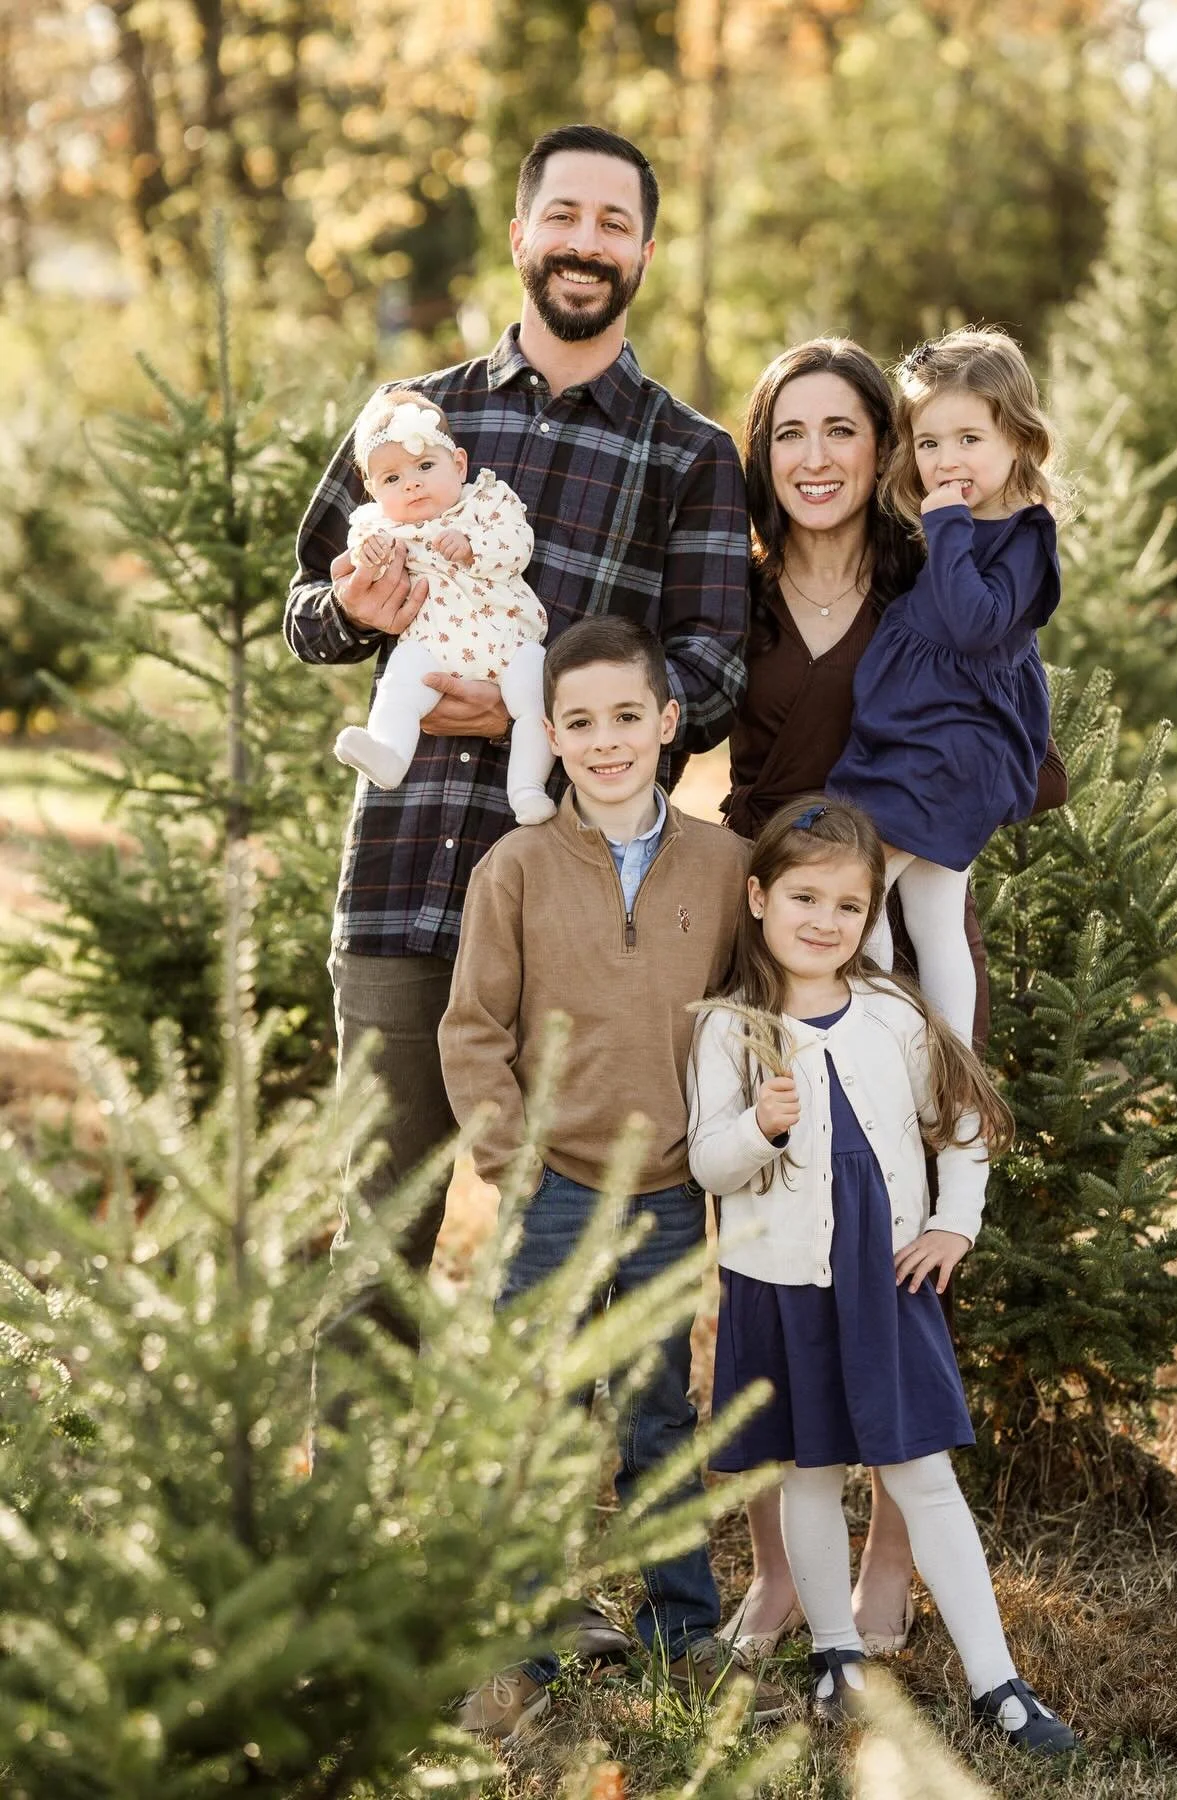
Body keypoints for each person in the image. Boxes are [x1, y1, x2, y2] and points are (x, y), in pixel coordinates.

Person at [284, 124, 748, 1322]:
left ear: (644, 247)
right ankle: (354, 1502)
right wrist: (349, 609)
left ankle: (561, 1501)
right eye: (566, 217)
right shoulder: (410, 419)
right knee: (382, 1223)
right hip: (405, 877)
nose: (586, 245)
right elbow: (301, 612)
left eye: (613, 223)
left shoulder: (687, 455)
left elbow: (711, 668)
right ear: (520, 236)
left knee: (587, 1229)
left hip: (587, 913)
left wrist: (547, 717)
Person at [719, 337, 1068, 1663]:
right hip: (779, 954)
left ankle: (883, 1580)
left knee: (901, 1256)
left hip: (911, 940)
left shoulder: (939, 570)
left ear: (887, 450)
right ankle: (773, 1575)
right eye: (789, 433)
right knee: (768, 1266)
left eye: (843, 432)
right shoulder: (737, 596)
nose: (816, 458)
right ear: (768, 454)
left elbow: (1008, 717)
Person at [438, 619, 787, 1742]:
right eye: (579, 724)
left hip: (671, 1190)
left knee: (653, 1412)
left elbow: (758, 1015)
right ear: (550, 735)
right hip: (554, 1188)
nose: (604, 742)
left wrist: (737, 1142)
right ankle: (521, 1638)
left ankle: (680, 1630)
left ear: (668, 723)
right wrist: (513, 1163)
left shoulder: (725, 869)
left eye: (626, 718)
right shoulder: (519, 868)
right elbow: (473, 1032)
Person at [687, 797, 1076, 1752]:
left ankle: (999, 1683)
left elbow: (966, 1119)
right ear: (759, 896)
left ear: (871, 917)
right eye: (803, 897)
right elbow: (706, 1163)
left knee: (921, 1473)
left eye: (848, 907)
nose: (823, 921)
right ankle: (835, 1654)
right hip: (778, 1279)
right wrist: (756, 1129)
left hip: (888, 1276)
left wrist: (955, 1222)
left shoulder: (895, 1014)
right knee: (810, 1469)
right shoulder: (729, 1029)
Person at [828, 326, 1063, 1047]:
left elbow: (974, 623)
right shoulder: (945, 524)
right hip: (908, 741)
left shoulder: (1023, 534)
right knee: (930, 917)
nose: (946, 460)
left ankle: (885, 1043)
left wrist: (951, 524)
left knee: (856, 891)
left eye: (968, 439)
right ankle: (929, 1059)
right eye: (929, 443)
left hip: (952, 751)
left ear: (1018, 440)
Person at [333, 388, 554, 820]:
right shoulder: (381, 526)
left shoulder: (487, 503)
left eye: (425, 466)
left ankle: (527, 789)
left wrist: (472, 546)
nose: (411, 484)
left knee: (535, 699)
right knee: (398, 685)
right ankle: (389, 755)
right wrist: (370, 556)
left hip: (507, 639)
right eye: (392, 480)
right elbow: (359, 556)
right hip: (431, 646)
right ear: (374, 492)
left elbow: (517, 544)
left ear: (459, 465)